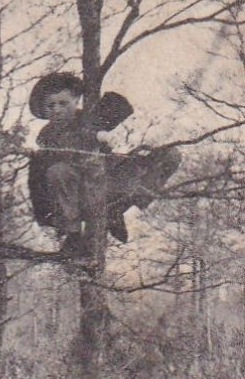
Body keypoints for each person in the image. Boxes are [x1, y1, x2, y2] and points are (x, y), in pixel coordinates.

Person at [26, 72, 180, 257]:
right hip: (77, 193)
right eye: (51, 106)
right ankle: (73, 236)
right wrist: (94, 136)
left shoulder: (91, 117)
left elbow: (120, 112)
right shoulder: (48, 133)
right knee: (58, 172)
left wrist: (131, 149)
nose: (57, 110)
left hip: (107, 184)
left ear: (76, 100)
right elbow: (65, 145)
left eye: (63, 103)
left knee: (170, 156)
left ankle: (121, 208)